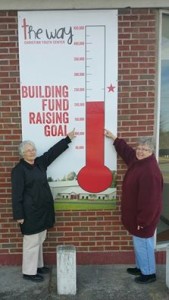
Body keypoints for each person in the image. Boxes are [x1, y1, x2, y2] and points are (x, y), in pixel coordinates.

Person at [11, 129, 76, 282]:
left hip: (42, 210)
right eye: (28, 150)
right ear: (22, 154)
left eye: (33, 149)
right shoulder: (19, 170)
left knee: (40, 239)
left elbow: (52, 153)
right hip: (29, 213)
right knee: (31, 243)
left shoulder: (40, 163)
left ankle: (38, 266)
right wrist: (18, 215)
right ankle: (29, 272)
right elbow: (16, 194)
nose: (32, 152)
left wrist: (67, 139)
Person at [104, 129, 163, 284]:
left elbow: (151, 201)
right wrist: (115, 139)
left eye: (145, 149)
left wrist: (143, 221)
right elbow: (128, 153)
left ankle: (149, 274)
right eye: (140, 148)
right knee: (139, 244)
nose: (141, 151)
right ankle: (141, 267)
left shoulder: (150, 171)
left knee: (144, 244)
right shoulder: (139, 161)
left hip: (144, 219)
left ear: (152, 152)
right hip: (136, 217)